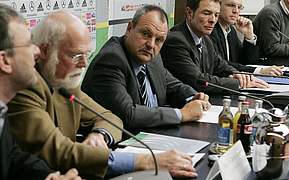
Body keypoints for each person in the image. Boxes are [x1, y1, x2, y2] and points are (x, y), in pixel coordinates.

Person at [7, 10, 197, 178]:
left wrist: (100, 135)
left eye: (86, 55)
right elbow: (58, 151)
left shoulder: (65, 82)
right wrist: (146, 161)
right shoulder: (26, 87)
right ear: (46, 51)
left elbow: (110, 118)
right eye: (76, 56)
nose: (84, 64)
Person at [82, 5, 211, 130]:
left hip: (153, 136)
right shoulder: (111, 60)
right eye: (145, 34)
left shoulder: (152, 57)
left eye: (159, 40)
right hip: (121, 143)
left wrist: (193, 97)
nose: (151, 44)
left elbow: (173, 86)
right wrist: (182, 114)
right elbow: (128, 114)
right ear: (129, 28)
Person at [0, 4, 80, 180]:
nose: (37, 51)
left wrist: (49, 177)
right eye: (29, 44)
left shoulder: (2, 109)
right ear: (5, 61)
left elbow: (14, 157)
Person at [160, 0, 269, 95]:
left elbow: (221, 66)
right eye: (207, 13)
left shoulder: (205, 39)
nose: (212, 20)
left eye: (216, 15)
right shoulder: (175, 40)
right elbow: (198, 80)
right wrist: (238, 83)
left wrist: (239, 75)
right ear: (189, 13)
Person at [210, 0, 283, 76]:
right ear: (218, 6)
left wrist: (249, 36)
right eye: (231, 5)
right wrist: (259, 71)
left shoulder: (231, 31)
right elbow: (221, 63)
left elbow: (248, 61)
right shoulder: (210, 30)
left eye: (239, 7)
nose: (236, 11)